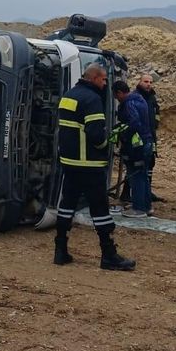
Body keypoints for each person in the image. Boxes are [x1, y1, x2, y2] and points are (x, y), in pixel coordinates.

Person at [55, 63, 135, 271]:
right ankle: (109, 255)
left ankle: (60, 249)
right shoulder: (92, 99)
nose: (106, 83)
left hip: (69, 162)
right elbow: (95, 134)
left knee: (66, 205)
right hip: (89, 163)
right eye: (104, 80)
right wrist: (107, 143)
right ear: (95, 78)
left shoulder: (69, 95)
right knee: (100, 209)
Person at [112, 80, 153, 218]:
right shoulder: (139, 99)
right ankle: (146, 206)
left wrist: (123, 135)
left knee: (136, 176)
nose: (117, 100)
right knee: (143, 175)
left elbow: (134, 123)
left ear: (119, 93)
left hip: (137, 145)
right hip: (146, 142)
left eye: (116, 97)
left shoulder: (129, 103)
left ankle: (139, 208)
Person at [136, 74, 161, 202]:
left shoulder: (151, 97)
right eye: (146, 81)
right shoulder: (136, 97)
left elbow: (157, 112)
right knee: (137, 166)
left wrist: (155, 124)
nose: (149, 84)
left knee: (150, 162)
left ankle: (147, 190)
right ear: (139, 82)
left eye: (150, 82)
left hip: (151, 136)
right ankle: (132, 193)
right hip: (140, 137)